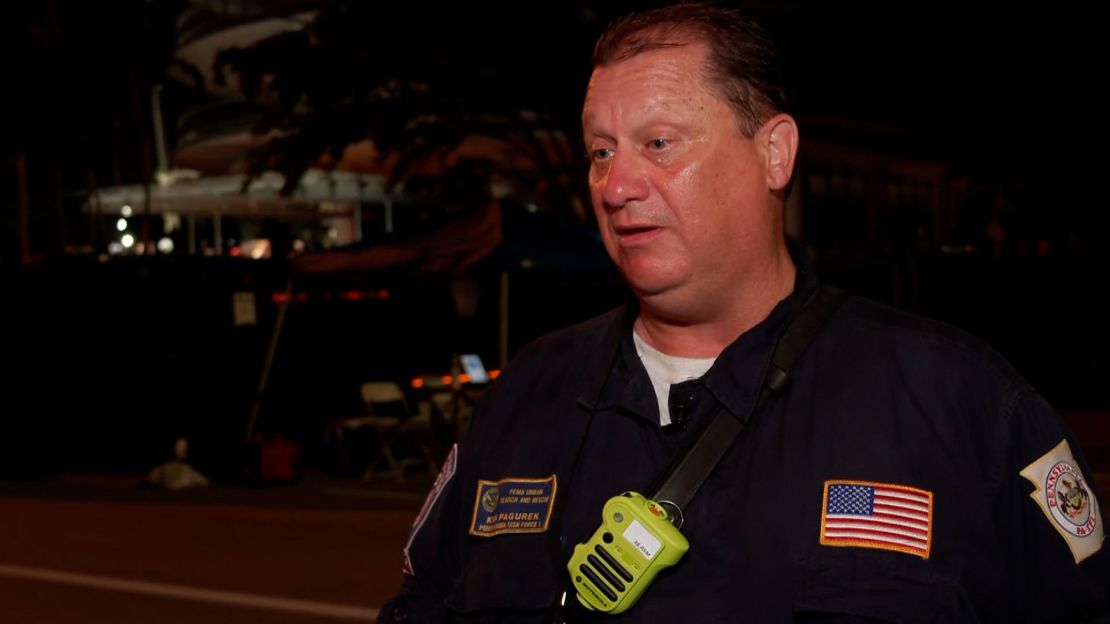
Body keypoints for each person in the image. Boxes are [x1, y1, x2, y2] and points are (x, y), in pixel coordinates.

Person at [382, 4, 1110, 622]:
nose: (616, 184)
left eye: (658, 143)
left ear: (775, 154)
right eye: (601, 151)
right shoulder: (522, 400)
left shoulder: (959, 405)